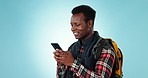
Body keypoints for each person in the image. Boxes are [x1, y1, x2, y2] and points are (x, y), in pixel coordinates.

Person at [53, 5, 116, 78]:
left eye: (77, 24)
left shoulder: (105, 49)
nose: (72, 29)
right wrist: (61, 64)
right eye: (72, 25)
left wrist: (73, 64)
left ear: (90, 24)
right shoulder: (72, 47)